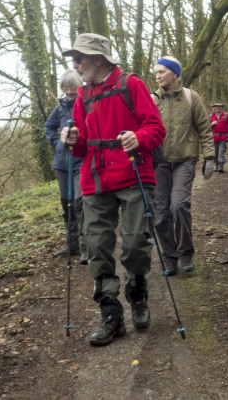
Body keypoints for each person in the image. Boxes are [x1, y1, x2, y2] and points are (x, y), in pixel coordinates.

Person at [61, 33, 166, 346]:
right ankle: (111, 314)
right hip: (95, 179)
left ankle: (137, 289)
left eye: (80, 58)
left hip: (134, 173)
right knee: (95, 244)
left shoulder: (130, 84)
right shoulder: (82, 95)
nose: (75, 64)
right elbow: (80, 148)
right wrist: (71, 139)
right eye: (74, 59)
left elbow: (156, 128)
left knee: (134, 242)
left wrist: (139, 138)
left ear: (98, 58)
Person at [152, 56, 214, 276]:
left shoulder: (191, 97)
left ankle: (186, 253)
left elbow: (204, 129)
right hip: (158, 163)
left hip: (185, 161)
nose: (157, 76)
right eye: (156, 73)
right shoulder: (152, 100)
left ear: (175, 74)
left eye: (162, 72)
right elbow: (144, 130)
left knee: (178, 205)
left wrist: (209, 157)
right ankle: (169, 258)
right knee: (160, 213)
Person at [45, 69, 88, 264]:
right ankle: (72, 243)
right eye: (65, 87)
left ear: (80, 85)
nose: (69, 91)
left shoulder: (86, 103)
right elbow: (49, 126)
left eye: (72, 86)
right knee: (67, 204)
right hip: (62, 163)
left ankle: (87, 245)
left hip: (81, 162)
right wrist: (56, 143)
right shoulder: (60, 108)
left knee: (81, 204)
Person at [210, 99, 228, 173]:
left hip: (223, 137)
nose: (218, 108)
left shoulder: (226, 115)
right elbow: (207, 128)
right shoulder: (211, 116)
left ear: (221, 107)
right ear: (214, 107)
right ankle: (216, 165)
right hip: (214, 137)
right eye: (216, 106)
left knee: (221, 152)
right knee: (215, 153)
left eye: (219, 106)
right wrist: (211, 124)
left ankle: (221, 166)